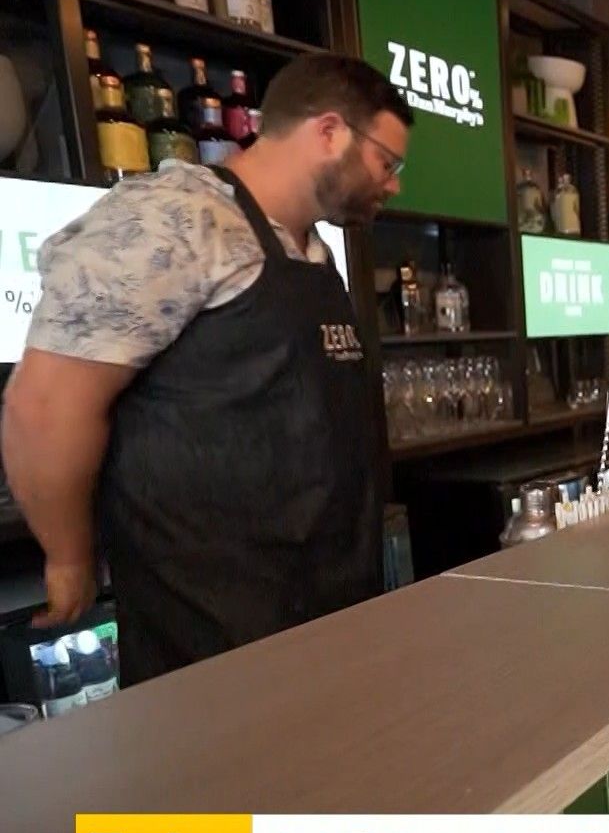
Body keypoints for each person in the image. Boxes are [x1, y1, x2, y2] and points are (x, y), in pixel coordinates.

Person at [1, 53, 413, 685]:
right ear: (329, 132)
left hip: (326, 619)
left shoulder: (312, 250)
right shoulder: (174, 217)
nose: (393, 185)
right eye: (388, 163)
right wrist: (68, 556)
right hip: (210, 638)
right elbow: (45, 406)